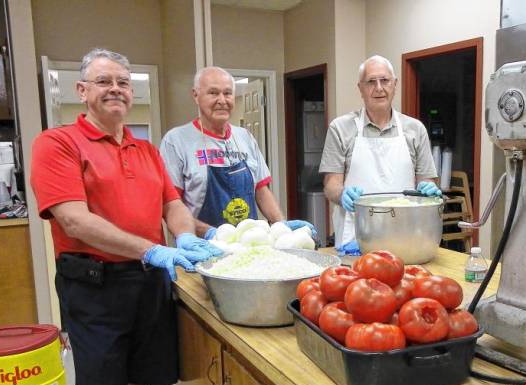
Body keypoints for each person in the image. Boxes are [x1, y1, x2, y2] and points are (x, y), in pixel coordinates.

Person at [30, 48, 220, 385]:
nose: (115, 89)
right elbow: (74, 221)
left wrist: (184, 236)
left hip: (148, 284)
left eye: (123, 83)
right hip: (94, 288)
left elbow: (172, 204)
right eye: (104, 81)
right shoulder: (58, 144)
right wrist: (151, 248)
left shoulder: (146, 150)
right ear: (82, 90)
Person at [160, 66, 314, 239]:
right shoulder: (176, 141)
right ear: (196, 95)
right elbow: (170, 206)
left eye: (227, 93)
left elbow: (261, 190)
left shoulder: (245, 137)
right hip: (203, 247)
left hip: (249, 246)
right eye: (213, 93)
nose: (222, 100)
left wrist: (282, 226)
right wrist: (213, 234)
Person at [320, 55, 441, 250]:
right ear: (360, 88)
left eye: (384, 80)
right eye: (370, 82)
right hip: (358, 236)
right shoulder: (340, 128)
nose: (378, 88)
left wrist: (428, 188)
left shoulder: (415, 129)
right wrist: (342, 194)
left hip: (406, 236)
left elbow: (426, 180)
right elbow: (331, 185)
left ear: (395, 84)